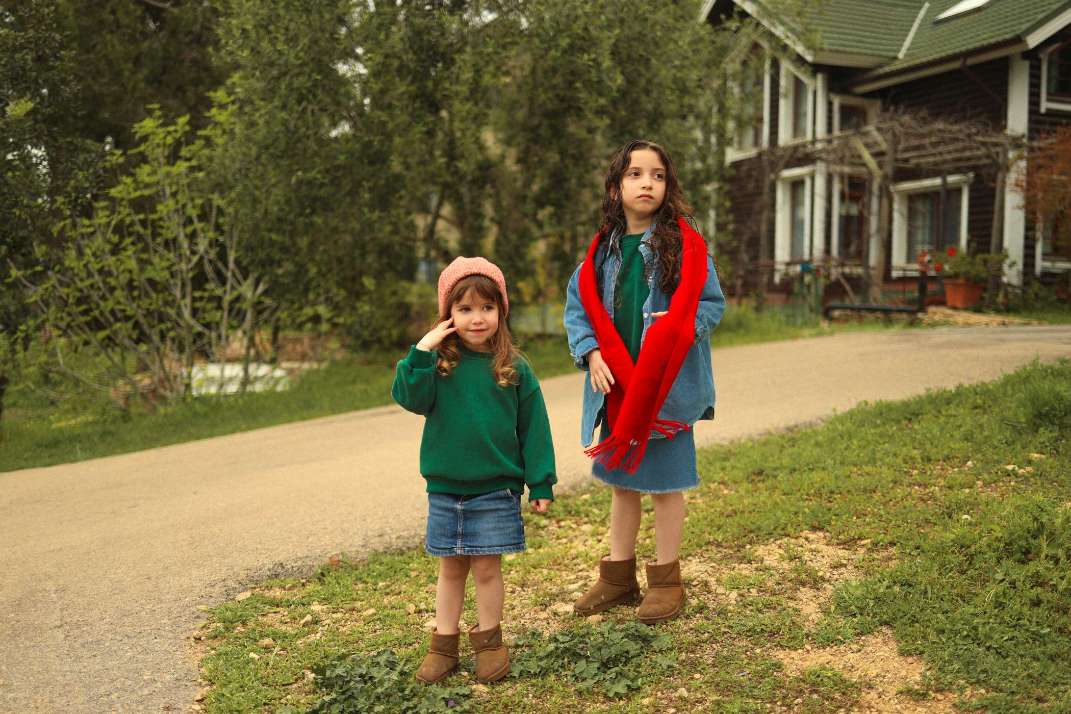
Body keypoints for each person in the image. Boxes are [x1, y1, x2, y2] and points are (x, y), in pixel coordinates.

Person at [563, 139, 725, 624]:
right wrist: (590, 352)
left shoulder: (686, 249)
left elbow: (711, 303)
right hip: (618, 390)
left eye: (657, 175)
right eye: (635, 174)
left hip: (665, 391)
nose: (647, 183)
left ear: (668, 186)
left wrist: (678, 332)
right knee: (622, 485)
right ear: (616, 189)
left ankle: (667, 580)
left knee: (667, 487)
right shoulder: (600, 255)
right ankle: (617, 577)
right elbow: (579, 308)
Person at [392, 256, 556, 683]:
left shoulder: (514, 368)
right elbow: (409, 398)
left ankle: (489, 642)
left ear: (501, 310)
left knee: (486, 569)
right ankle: (443, 646)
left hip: (496, 490)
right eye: (464, 309)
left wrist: (540, 482)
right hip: (446, 489)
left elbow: (534, 429)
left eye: (487, 307)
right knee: (450, 569)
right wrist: (422, 350)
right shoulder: (437, 365)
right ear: (448, 314)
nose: (477, 318)